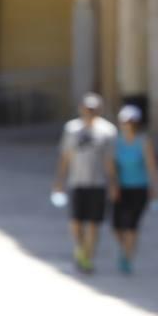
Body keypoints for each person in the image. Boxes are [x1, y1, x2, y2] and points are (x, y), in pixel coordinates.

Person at [52, 93, 119, 274]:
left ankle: (88, 257)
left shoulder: (108, 131)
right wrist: (59, 181)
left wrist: (113, 183)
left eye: (93, 109)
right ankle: (80, 248)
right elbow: (65, 157)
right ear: (81, 108)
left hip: (98, 183)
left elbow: (110, 160)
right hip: (77, 181)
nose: (89, 112)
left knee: (93, 223)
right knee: (75, 222)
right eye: (87, 108)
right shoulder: (72, 129)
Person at [111, 105, 158, 274]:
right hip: (120, 188)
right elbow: (111, 166)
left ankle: (127, 257)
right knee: (116, 226)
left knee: (132, 224)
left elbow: (151, 166)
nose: (127, 124)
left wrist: (154, 188)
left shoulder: (143, 142)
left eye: (130, 121)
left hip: (139, 188)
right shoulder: (116, 142)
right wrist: (113, 184)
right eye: (124, 121)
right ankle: (125, 249)